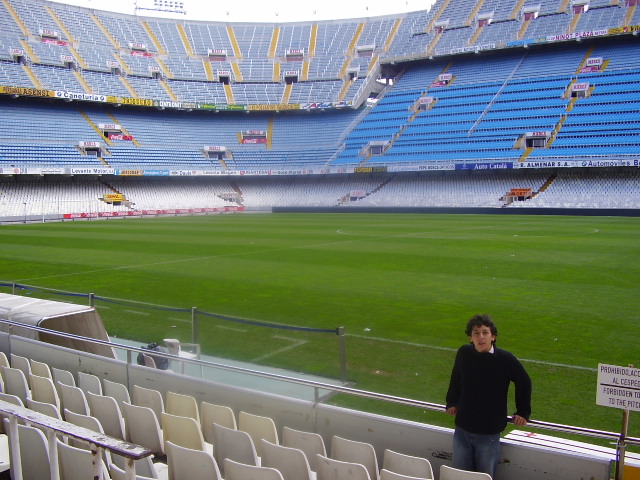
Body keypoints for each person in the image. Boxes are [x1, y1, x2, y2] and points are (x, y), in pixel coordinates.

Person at [445, 314, 531, 477]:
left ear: (493, 336)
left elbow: (524, 382)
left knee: (484, 476)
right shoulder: (464, 353)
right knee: (458, 476)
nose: (481, 337)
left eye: (485, 332)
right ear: (470, 337)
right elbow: (456, 377)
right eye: (476, 333)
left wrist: (523, 412)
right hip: (462, 429)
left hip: (488, 434)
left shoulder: (505, 359)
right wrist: (451, 401)